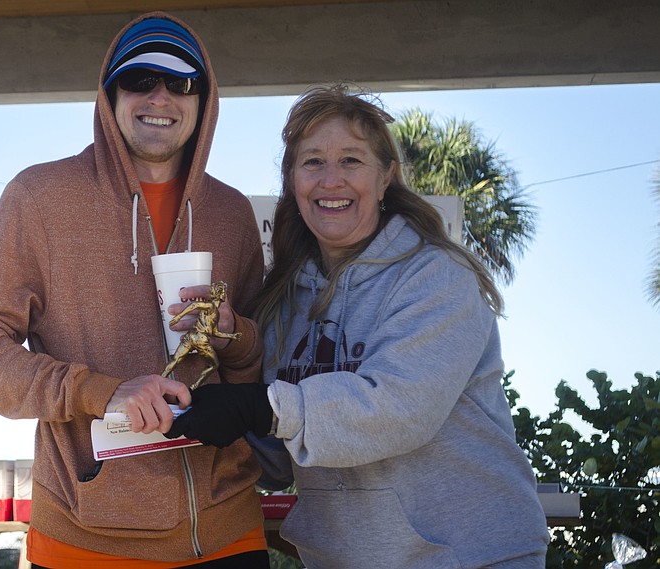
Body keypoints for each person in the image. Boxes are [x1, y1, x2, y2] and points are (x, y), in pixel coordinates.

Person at [165, 84, 551, 568]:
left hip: (472, 556)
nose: (331, 180)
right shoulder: (283, 301)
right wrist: (225, 362)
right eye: (313, 162)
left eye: (351, 160)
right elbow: (275, 461)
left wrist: (258, 406)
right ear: (292, 181)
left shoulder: (436, 275)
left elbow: (398, 409)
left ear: (386, 177)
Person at [0, 11, 269, 569]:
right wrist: (97, 392)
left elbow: (260, 369)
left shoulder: (232, 213)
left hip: (227, 530)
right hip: (85, 539)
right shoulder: (41, 198)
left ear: (204, 100)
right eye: (140, 79)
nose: (160, 96)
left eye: (180, 82)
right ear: (110, 96)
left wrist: (235, 336)